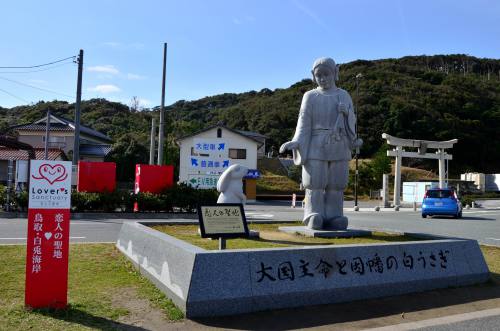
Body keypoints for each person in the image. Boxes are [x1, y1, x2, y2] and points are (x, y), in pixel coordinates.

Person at [280, 57, 362, 230]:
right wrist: (296, 142)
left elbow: (353, 121)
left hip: (339, 142)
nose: (323, 78)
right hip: (316, 144)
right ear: (313, 76)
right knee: (314, 183)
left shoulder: (343, 95)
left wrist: (346, 112)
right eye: (319, 75)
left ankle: (334, 216)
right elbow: (304, 123)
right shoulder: (310, 96)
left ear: (335, 73)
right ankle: (313, 214)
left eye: (327, 74)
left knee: (336, 184)